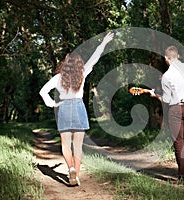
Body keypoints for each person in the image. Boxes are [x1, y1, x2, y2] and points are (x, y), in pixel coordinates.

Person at [39, 32, 114, 186]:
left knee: (66, 144)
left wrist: (52, 103)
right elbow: (95, 58)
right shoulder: (82, 73)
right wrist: (104, 42)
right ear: (78, 63)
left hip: (64, 108)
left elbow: (42, 91)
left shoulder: (58, 78)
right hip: (79, 107)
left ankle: (71, 168)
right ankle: (76, 176)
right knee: (78, 145)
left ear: (65, 65)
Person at [149, 45, 184, 187]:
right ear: (178, 56)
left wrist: (156, 95)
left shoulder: (167, 76)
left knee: (179, 143)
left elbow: (167, 100)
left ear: (166, 59)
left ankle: (182, 177)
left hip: (176, 109)